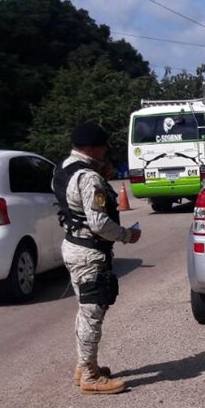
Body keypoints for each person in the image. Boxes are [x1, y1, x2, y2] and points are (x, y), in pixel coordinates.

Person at [53, 122, 142, 394]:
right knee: (93, 313)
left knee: (85, 310)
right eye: (103, 146)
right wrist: (127, 235)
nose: (106, 151)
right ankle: (90, 377)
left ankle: (84, 366)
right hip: (89, 252)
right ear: (91, 148)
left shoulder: (62, 168)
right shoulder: (89, 178)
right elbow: (99, 223)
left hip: (72, 245)